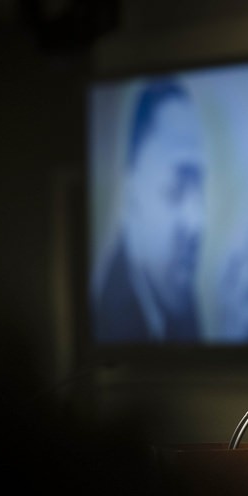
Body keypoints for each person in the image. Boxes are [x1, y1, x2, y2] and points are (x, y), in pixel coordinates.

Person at [94, 79, 206, 342]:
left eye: (199, 187)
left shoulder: (184, 307)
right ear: (132, 192)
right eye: (176, 188)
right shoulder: (105, 319)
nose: (196, 220)